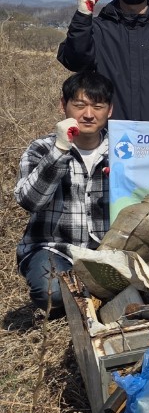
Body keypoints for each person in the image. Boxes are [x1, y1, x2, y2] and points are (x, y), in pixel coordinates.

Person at [14, 72, 114, 310]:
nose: (88, 114)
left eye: (97, 106)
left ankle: (89, 294)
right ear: (63, 105)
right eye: (79, 105)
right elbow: (29, 201)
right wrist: (60, 150)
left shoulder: (123, 150)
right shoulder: (42, 148)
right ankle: (90, 295)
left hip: (107, 252)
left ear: (109, 110)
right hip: (53, 248)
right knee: (53, 291)